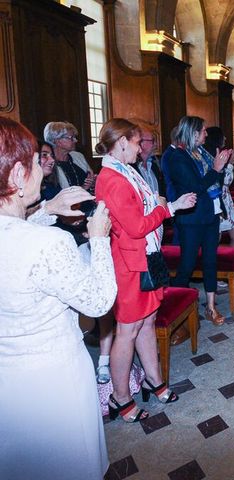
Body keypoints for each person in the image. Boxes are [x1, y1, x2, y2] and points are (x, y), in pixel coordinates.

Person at [0, 117, 116, 479]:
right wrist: (98, 238)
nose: (42, 169)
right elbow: (98, 302)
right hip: (54, 378)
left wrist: (48, 210)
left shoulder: (26, 235)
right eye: (35, 161)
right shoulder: (50, 245)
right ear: (17, 176)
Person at [95, 118, 196, 422]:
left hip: (146, 257)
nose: (141, 150)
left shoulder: (127, 171)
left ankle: (153, 381)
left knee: (147, 321)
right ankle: (120, 397)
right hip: (129, 264)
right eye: (138, 143)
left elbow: (142, 211)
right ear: (122, 142)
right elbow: (137, 226)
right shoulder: (111, 178)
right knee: (127, 330)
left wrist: (160, 206)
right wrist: (167, 209)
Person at [164, 116, 233, 325]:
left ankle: (211, 307)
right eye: (203, 131)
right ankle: (176, 308)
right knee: (187, 263)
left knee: (210, 260)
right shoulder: (177, 157)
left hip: (210, 214)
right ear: (193, 133)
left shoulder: (202, 152)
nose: (206, 134)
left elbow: (217, 182)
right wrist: (216, 169)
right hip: (191, 219)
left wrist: (219, 169)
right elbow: (195, 185)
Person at [203, 126, 234, 248]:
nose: (225, 138)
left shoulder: (218, 153)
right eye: (222, 135)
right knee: (216, 238)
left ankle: (233, 262)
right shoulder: (211, 155)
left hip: (227, 201)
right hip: (217, 200)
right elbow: (225, 181)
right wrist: (232, 162)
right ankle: (217, 264)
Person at [44, 121, 96, 192]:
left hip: (88, 200)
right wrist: (83, 188)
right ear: (57, 141)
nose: (75, 140)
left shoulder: (78, 156)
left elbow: (90, 178)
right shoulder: (47, 164)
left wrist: (93, 182)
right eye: (71, 138)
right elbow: (54, 194)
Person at [134, 126, 166, 197]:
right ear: (141, 143)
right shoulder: (132, 169)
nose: (155, 145)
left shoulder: (154, 166)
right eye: (152, 141)